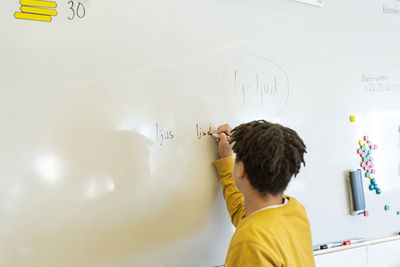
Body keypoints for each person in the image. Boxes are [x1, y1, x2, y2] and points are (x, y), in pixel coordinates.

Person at [214, 120, 315, 267]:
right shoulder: (295, 212)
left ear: (240, 170)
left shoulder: (249, 241)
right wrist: (227, 158)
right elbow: (242, 213)